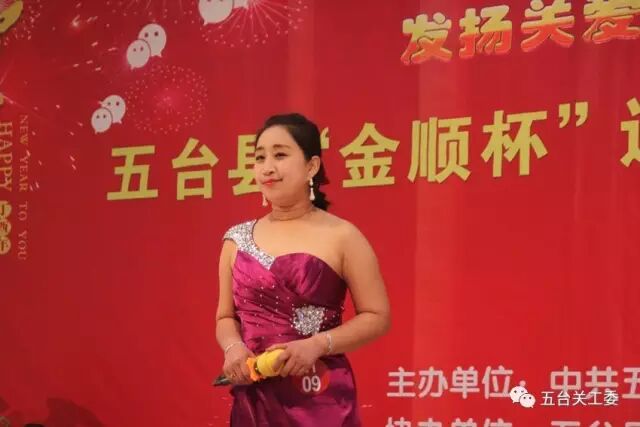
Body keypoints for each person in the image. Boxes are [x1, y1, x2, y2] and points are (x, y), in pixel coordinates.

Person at [216, 113, 391, 426]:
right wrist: (233, 348)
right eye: (260, 157)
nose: (267, 167)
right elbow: (225, 317)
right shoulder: (235, 240)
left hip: (319, 395)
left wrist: (317, 344)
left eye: (280, 155)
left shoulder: (343, 235)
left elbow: (377, 316)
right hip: (255, 398)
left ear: (311, 166)